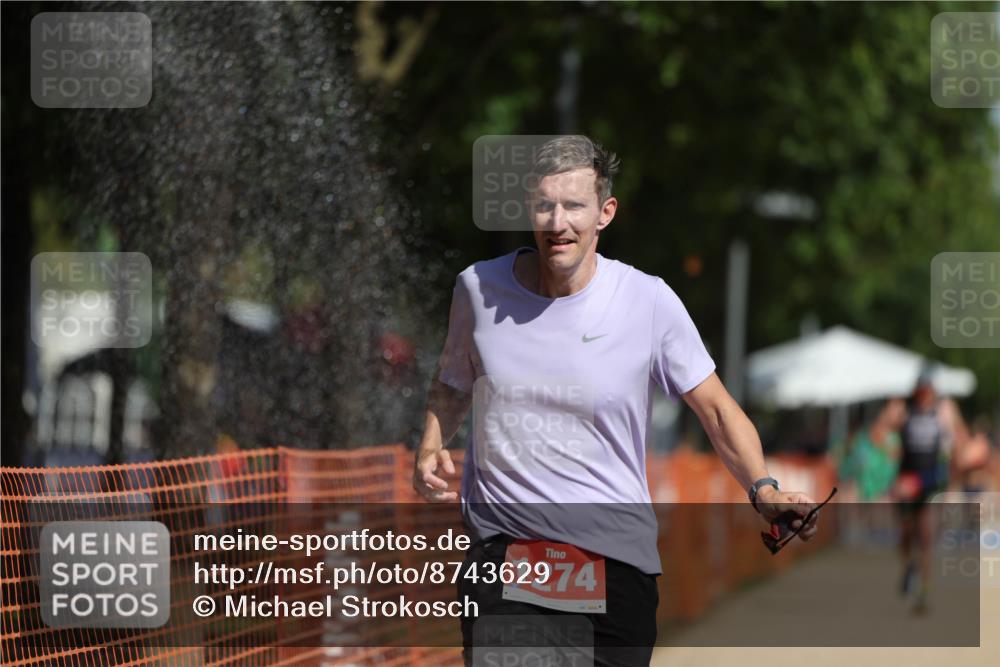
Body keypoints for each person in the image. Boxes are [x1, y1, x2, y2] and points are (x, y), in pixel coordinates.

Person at [412, 135, 822, 666]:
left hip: (614, 562)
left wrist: (763, 488)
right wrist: (429, 446)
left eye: (574, 206)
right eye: (545, 205)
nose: (558, 222)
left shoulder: (646, 301)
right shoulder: (477, 289)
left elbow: (717, 409)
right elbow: (452, 378)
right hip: (506, 554)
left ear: (605, 213)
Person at [893, 376, 950, 615]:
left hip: (929, 482)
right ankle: (909, 567)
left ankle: (923, 592)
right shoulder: (905, 411)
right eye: (922, 390)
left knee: (926, 536)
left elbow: (959, 442)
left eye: (929, 390)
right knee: (906, 533)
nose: (926, 394)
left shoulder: (943, 412)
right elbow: (880, 433)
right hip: (907, 481)